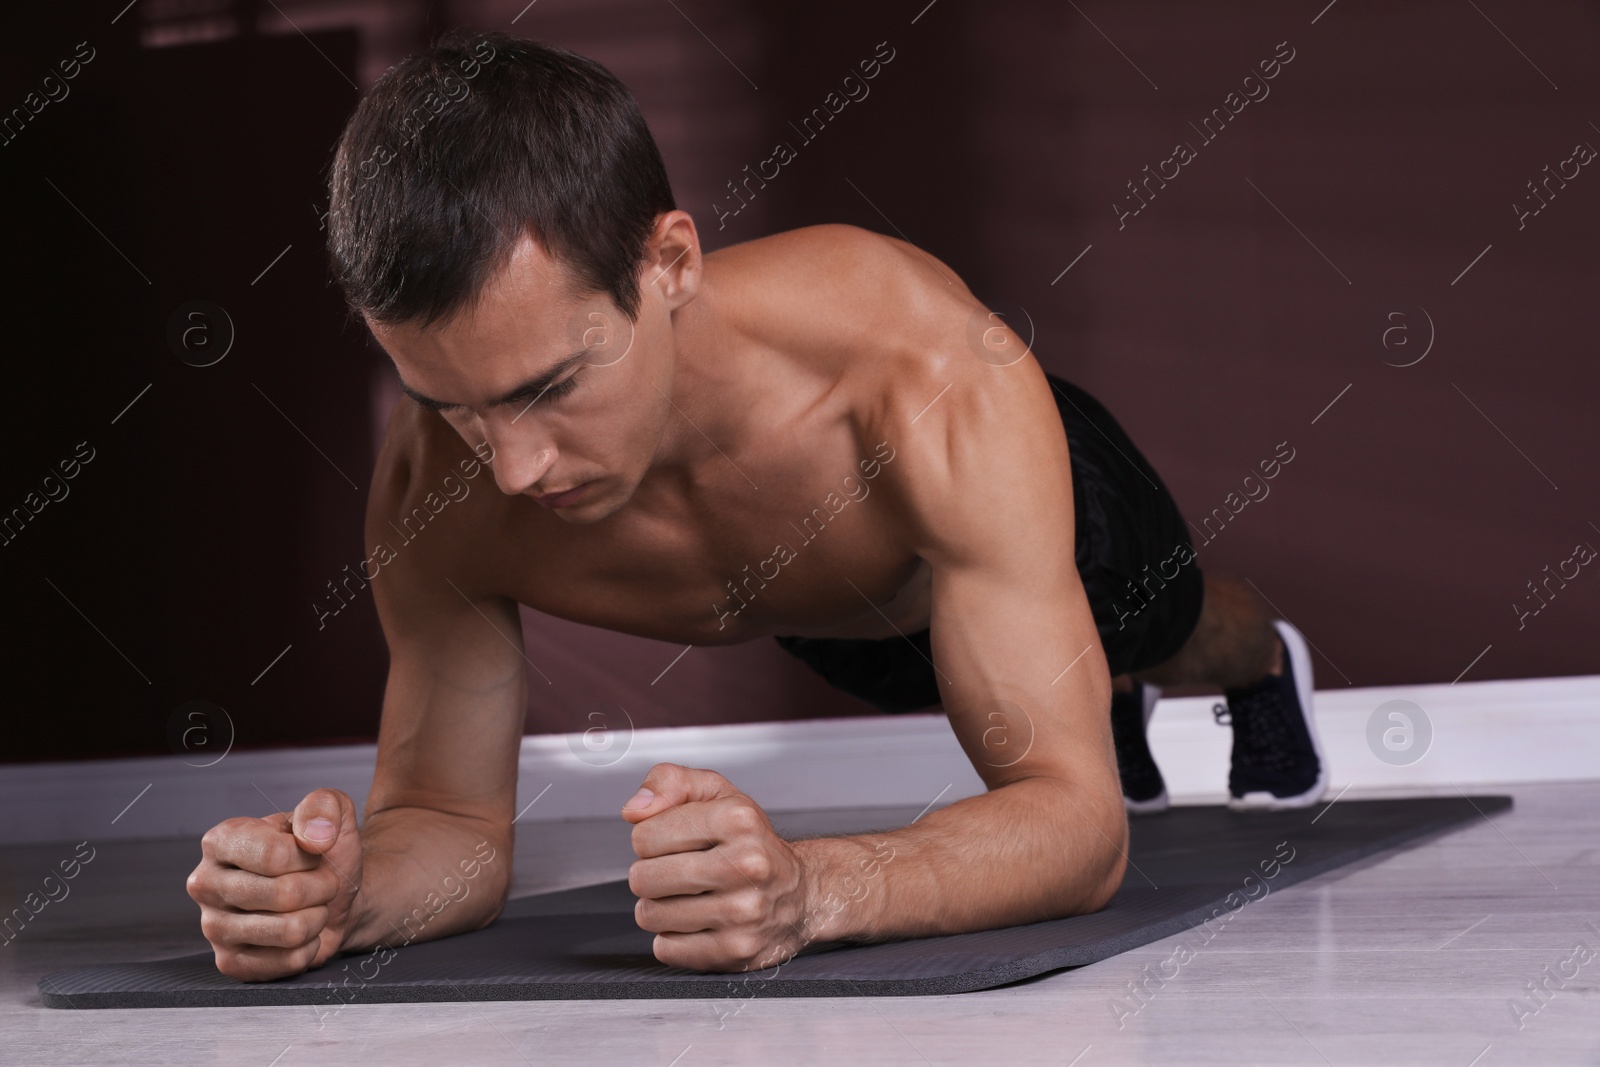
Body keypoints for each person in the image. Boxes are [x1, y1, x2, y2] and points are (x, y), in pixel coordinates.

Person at [185, 28, 1326, 982]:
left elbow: (1075, 829)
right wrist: (344, 896)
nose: (514, 469)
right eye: (452, 404)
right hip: (843, 616)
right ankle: (1093, 689)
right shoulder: (435, 486)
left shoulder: (923, 379)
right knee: (993, 668)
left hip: (1055, 526)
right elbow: (450, 825)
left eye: (548, 388)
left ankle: (1255, 664)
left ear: (670, 264)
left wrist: (812, 888)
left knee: (1169, 630)